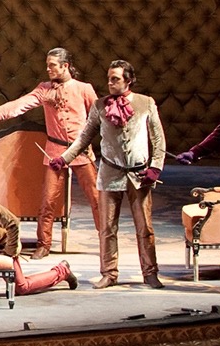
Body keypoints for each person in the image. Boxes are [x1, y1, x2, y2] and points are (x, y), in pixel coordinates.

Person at [0, 47, 103, 259]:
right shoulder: (44, 89)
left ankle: (105, 240)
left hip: (79, 149)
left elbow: (98, 117)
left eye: (52, 65)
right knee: (48, 200)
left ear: (65, 66)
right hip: (55, 150)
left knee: (96, 198)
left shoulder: (83, 89)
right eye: (48, 64)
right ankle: (44, 244)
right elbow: (21, 104)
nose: (48, 68)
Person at [52, 60, 166, 288]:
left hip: (139, 174)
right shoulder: (100, 106)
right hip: (109, 173)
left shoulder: (146, 103)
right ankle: (109, 273)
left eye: (115, 79)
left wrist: (155, 167)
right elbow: (84, 137)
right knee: (107, 228)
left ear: (128, 80)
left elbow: (158, 139)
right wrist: (64, 159)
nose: (110, 83)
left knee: (145, 227)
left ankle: (150, 273)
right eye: (109, 78)